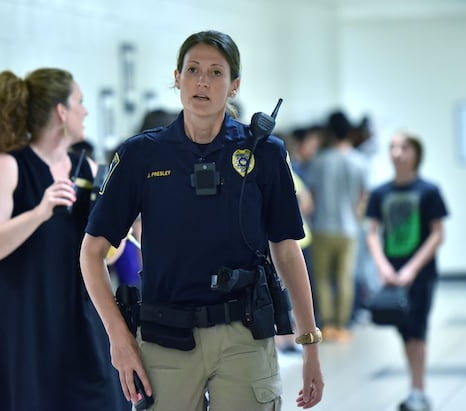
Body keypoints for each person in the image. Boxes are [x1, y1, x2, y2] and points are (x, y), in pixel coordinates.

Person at [80, 30, 324, 410]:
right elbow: (91, 252)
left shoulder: (265, 154)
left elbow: (287, 250)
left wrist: (309, 343)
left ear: (234, 85)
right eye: (192, 70)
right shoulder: (141, 156)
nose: (202, 82)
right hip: (165, 338)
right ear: (177, 77)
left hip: (244, 336)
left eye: (215, 72)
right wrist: (118, 335)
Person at [0, 68, 130, 411]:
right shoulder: (6, 165)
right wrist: (38, 213)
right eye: (79, 102)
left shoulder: (87, 168)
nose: (86, 111)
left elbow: (107, 255)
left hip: (74, 321)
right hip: (16, 325)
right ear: (62, 111)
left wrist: (123, 224)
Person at [365, 131, 448, 411]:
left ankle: (418, 389)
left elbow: (437, 234)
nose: (397, 152)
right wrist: (384, 266)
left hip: (420, 272)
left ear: (416, 153)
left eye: (404, 147)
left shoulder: (428, 191)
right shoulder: (380, 193)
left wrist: (412, 269)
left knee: (418, 330)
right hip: (393, 273)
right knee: (405, 330)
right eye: (392, 147)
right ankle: (415, 387)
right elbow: (373, 233)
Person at [307, 110, 368, 342]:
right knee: (345, 277)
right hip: (349, 228)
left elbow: (310, 195)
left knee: (321, 278)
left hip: (322, 226)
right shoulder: (359, 160)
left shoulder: (319, 161)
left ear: (329, 132)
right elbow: (363, 196)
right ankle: (343, 325)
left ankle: (328, 324)